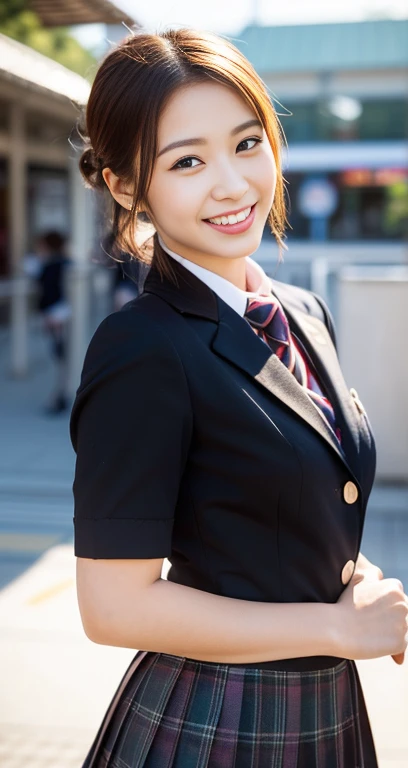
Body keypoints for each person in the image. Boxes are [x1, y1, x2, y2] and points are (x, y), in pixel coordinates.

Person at [70, 29, 408, 768]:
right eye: (187, 160)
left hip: (324, 705)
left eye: (247, 143)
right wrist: (335, 629)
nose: (232, 183)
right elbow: (113, 606)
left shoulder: (303, 312)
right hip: (216, 716)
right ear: (128, 186)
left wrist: (337, 581)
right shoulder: (142, 347)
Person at [35, 230, 72, 414]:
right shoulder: (64, 263)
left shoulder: (51, 265)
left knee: (57, 359)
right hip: (58, 314)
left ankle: (59, 396)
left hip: (55, 315)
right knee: (60, 359)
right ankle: (60, 395)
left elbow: (48, 291)